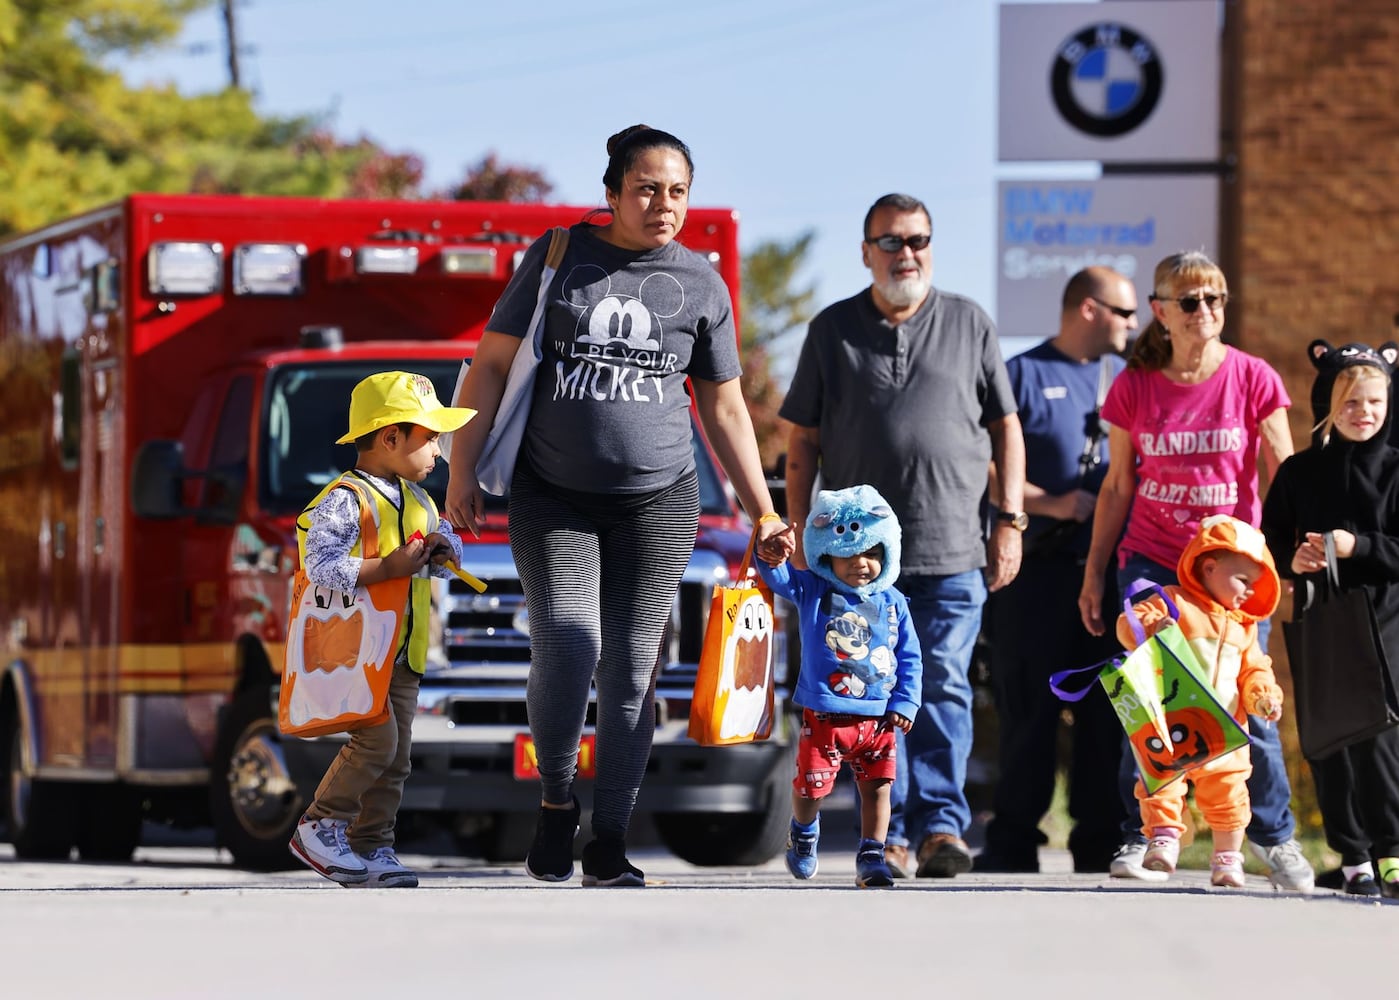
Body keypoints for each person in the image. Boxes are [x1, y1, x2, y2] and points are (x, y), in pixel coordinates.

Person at [445, 125, 793, 888]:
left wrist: (763, 511)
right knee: (569, 644)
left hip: (660, 498)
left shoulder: (701, 283)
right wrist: (459, 471)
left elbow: (726, 408)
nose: (662, 204)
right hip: (553, 492)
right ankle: (555, 801)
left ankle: (609, 840)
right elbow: (492, 364)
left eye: (676, 191)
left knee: (634, 667)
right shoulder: (560, 256)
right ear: (611, 194)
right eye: (645, 188)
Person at [781, 193, 1026, 879]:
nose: (904, 253)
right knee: (871, 692)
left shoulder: (970, 323)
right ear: (864, 251)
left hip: (951, 550)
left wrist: (1007, 521)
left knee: (941, 686)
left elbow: (1005, 429)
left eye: (917, 239)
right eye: (889, 241)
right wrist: (798, 529)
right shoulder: (831, 330)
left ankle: (939, 829)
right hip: (855, 568)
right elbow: (801, 439)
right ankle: (886, 836)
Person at [1076, 250, 1315, 892]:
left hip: (1230, 569)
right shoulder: (1134, 385)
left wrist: (1286, 558)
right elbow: (1118, 486)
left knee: (1244, 700)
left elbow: (1283, 476)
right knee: (1154, 704)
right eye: (1190, 301)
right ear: (1160, 312)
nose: (1205, 310)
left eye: (1215, 299)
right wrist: (1096, 572)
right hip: (1153, 563)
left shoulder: (1254, 377)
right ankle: (1148, 834)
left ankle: (1275, 838)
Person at [977, 267, 1136, 874]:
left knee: (1108, 714)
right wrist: (1051, 503)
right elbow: (983, 464)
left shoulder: (1129, 379)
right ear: (1089, 309)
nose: (1133, 324)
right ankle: (1014, 842)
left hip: (1109, 575)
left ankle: (1099, 843)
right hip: (1036, 574)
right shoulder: (1021, 373)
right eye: (1124, 312)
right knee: (1028, 712)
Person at [289, 370, 475, 887]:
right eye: (430, 437)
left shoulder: (420, 500)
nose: (438, 450)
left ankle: (373, 847)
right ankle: (320, 825)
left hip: (404, 654)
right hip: (358, 652)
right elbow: (320, 566)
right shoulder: (345, 498)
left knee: (396, 758)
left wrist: (443, 553)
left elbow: (440, 554)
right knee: (377, 743)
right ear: (390, 437)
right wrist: (388, 568)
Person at [1262, 341, 1399, 897]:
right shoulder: (1299, 472)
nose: (1363, 412)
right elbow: (1267, 543)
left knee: (1379, 735)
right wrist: (1288, 562)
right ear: (1327, 405)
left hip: (1388, 619)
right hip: (1322, 618)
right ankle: (1353, 859)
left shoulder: (1396, 469)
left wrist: (1356, 544)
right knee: (1329, 738)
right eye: (1349, 402)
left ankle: (1391, 851)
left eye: (1374, 402)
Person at [756, 484, 923, 888]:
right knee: (812, 788)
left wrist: (906, 701)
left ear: (887, 552)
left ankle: (872, 854)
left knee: (879, 789)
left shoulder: (894, 602)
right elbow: (779, 579)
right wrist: (771, 553)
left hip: (880, 720)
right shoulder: (815, 590)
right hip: (826, 716)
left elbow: (911, 658)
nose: (860, 564)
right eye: (847, 555)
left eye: (870, 552)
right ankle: (804, 832)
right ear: (826, 554)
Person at [1115, 515, 1286, 888]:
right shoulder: (1172, 601)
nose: (1247, 592)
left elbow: (1255, 669)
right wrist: (1150, 629)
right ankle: (1162, 838)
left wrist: (1263, 698)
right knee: (1160, 783)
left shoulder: (1244, 626)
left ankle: (1227, 858)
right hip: (1170, 722)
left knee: (1229, 795)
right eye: (1242, 580)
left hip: (1223, 730)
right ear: (1209, 566)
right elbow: (1127, 625)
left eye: (1253, 585)